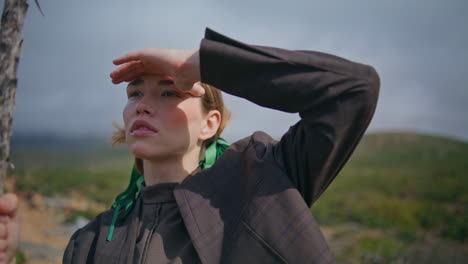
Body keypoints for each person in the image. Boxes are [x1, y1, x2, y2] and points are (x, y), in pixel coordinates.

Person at [4, 27, 380, 264]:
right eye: (134, 93)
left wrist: (202, 63)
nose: (143, 104)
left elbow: (353, 89)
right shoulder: (88, 243)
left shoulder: (261, 183)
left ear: (209, 124)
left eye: (169, 91)